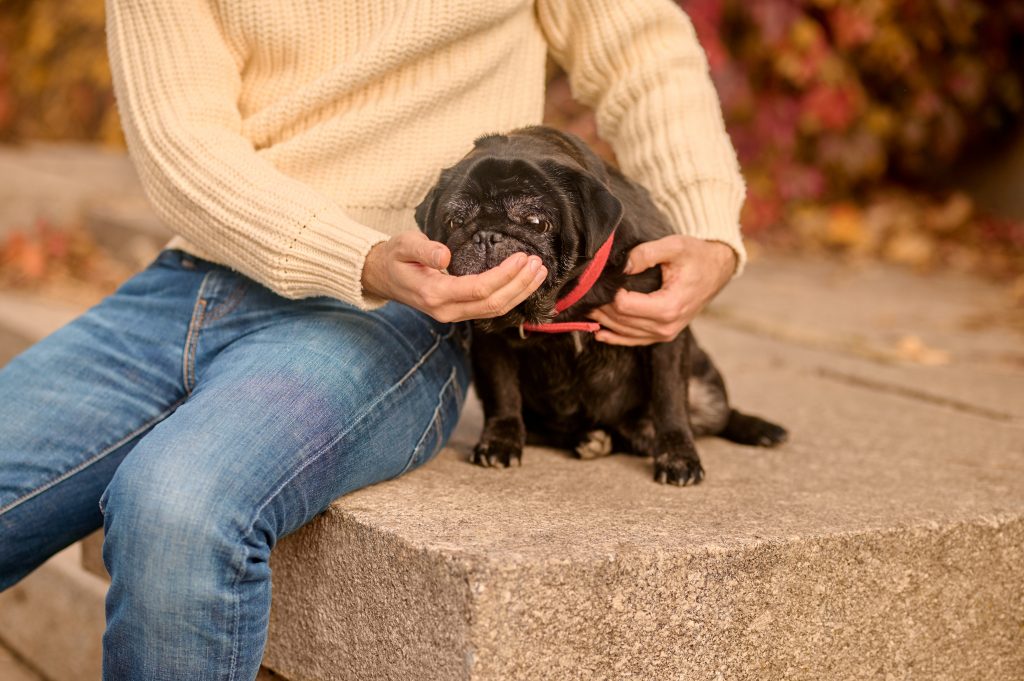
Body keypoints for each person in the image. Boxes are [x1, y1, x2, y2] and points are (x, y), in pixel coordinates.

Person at [0, 0, 746, 678]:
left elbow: (640, 46)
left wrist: (707, 226)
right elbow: (179, 139)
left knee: (174, 507)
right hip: (191, 276)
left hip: (403, 307)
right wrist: (352, 254)